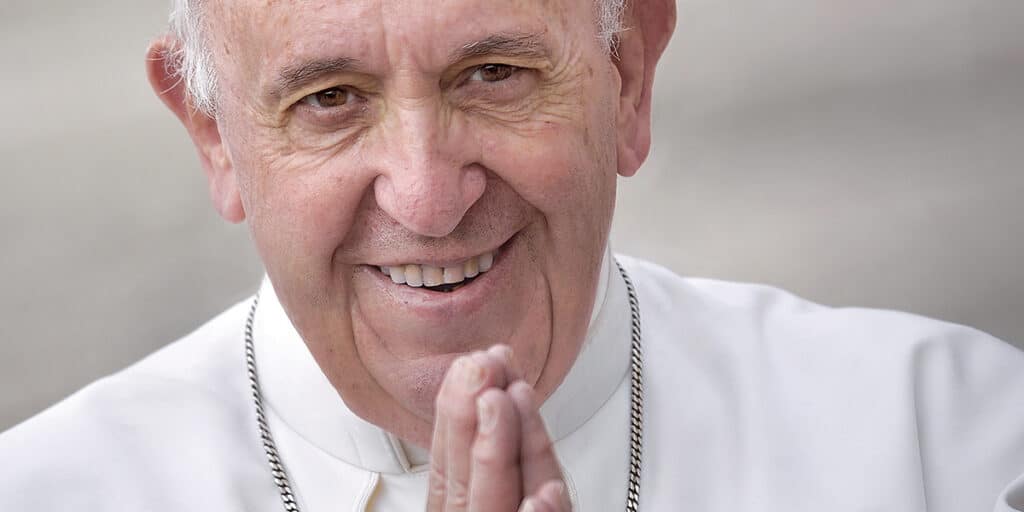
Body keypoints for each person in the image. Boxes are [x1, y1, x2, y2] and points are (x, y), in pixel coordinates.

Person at [1, 0, 1023, 510]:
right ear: (214, 136)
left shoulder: (947, 445)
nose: (429, 195)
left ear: (626, 77)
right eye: (329, 100)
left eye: (492, 73)